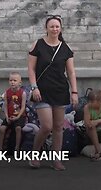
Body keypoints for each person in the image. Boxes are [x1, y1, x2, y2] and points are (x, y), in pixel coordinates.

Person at [27, 15, 78, 170]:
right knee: (47, 126)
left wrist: (74, 91)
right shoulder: (38, 44)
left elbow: (71, 72)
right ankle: (35, 154)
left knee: (57, 127)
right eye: (52, 26)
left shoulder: (65, 48)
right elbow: (31, 69)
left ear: (60, 28)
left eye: (57, 26)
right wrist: (34, 87)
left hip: (60, 91)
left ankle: (56, 159)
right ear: (46, 28)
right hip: (41, 91)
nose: (55, 29)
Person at [0, 72, 27, 152]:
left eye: (15, 80)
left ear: (20, 83)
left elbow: (23, 107)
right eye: (10, 80)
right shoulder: (7, 92)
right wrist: (6, 117)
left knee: (18, 128)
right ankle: (0, 148)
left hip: (19, 116)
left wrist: (18, 117)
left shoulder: (22, 93)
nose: (12, 82)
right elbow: (5, 105)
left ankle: (17, 148)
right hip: (9, 116)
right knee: (2, 128)